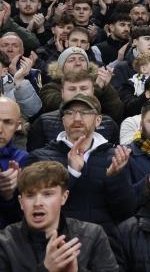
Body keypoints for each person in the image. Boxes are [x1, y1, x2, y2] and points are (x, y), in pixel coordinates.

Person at [28, 92, 136, 236]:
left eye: (85, 113)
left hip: (103, 242)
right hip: (57, 240)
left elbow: (126, 212)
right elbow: (35, 207)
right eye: (70, 113)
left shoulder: (116, 157)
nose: (77, 119)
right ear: (63, 120)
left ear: (98, 120)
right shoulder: (40, 157)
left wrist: (115, 177)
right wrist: (72, 173)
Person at [0, 161, 118, 271]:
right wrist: (46, 269)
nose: (37, 203)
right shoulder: (4, 243)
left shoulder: (92, 235)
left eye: (47, 194)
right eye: (30, 195)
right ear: (21, 202)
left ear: (64, 197)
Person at [0, 98, 27, 228]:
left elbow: (21, 220)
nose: (0, 129)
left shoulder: (22, 160)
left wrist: (8, 197)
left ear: (18, 126)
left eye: (8, 122)